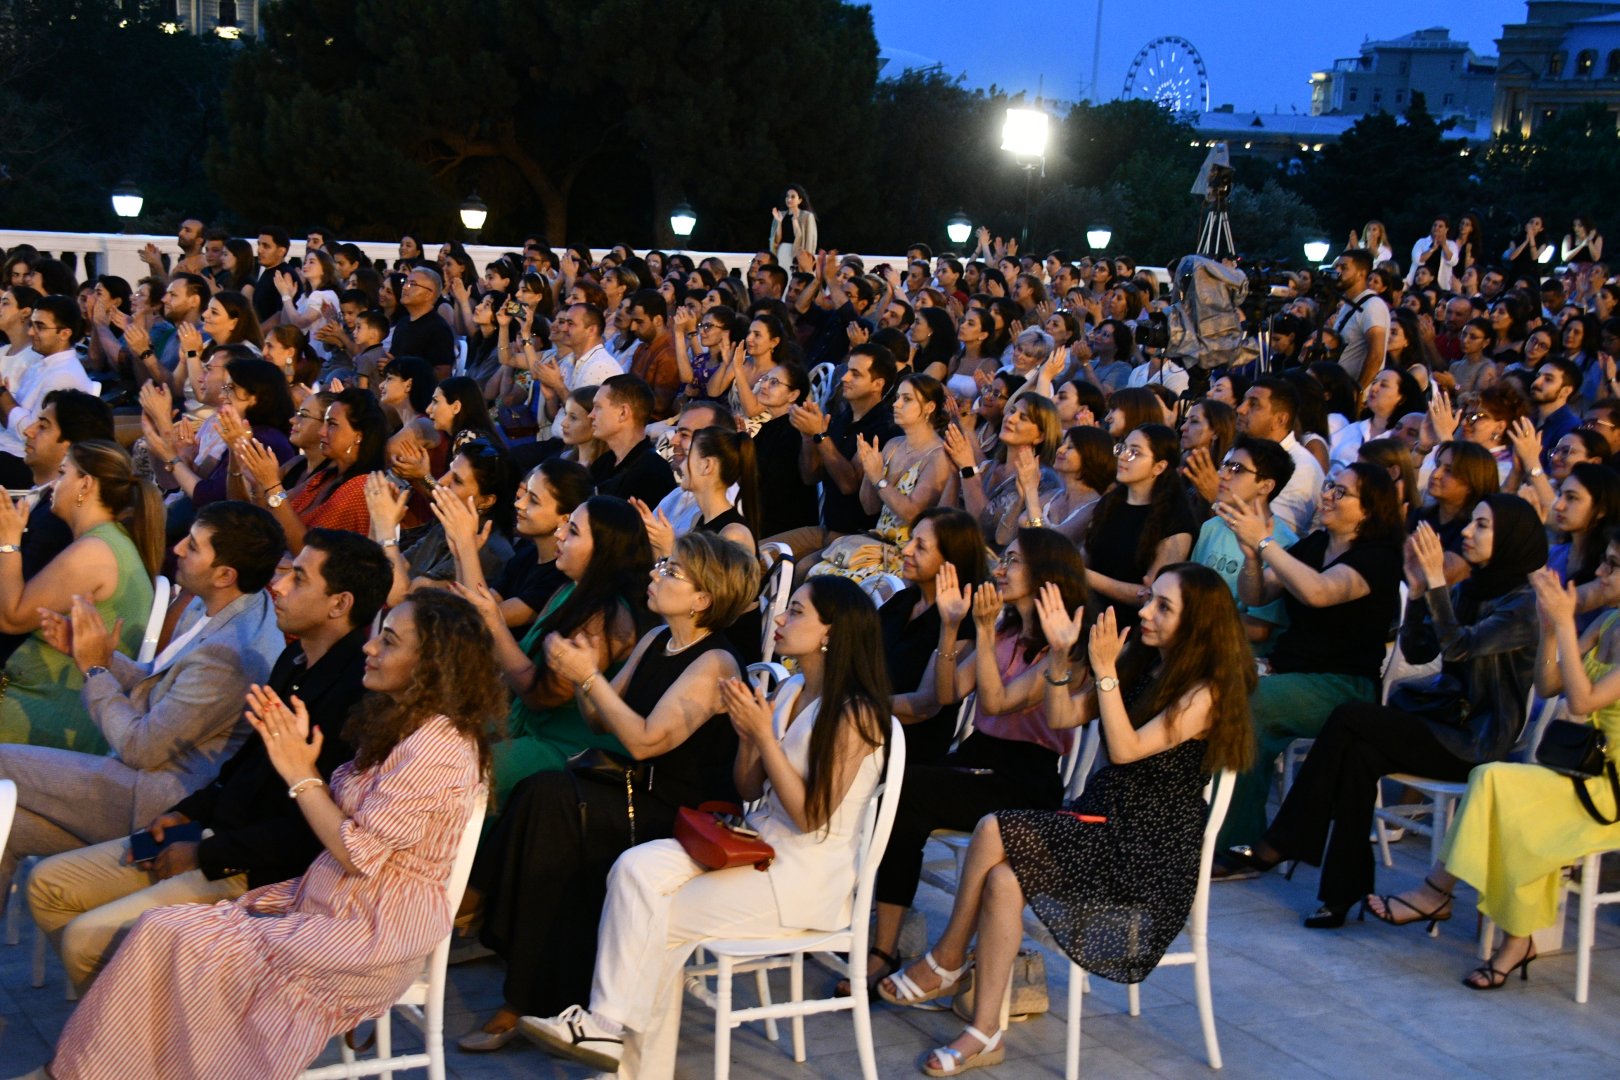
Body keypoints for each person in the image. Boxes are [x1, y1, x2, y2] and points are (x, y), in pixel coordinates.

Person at [44, 590, 499, 1079]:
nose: (370, 648)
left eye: (388, 642)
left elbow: (358, 854)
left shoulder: (439, 744)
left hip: (369, 930)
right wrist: (298, 761)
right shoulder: (404, 724)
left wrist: (299, 773)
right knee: (164, 933)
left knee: (173, 936)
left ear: (432, 665)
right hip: (330, 901)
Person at [878, 564, 1255, 1075]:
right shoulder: (1146, 666)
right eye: (1151, 599)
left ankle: (947, 959)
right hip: (1101, 823)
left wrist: (1103, 668)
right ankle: (985, 1030)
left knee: (992, 826)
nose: (1145, 611)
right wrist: (1060, 655)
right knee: (1004, 882)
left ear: (1199, 624)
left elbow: (1124, 751)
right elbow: (1061, 717)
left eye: (1163, 606)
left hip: (1145, 851)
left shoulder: (1204, 692)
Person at [520, 575, 890, 1077]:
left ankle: (619, 1050)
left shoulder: (858, 714)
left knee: (658, 920)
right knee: (633, 869)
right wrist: (748, 740)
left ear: (832, 631)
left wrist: (765, 735)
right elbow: (747, 787)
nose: (780, 618)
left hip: (803, 876)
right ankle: (609, 1032)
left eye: (797, 611)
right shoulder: (795, 689)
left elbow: (810, 816)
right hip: (755, 843)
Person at [24, 527, 384, 991]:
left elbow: (306, 831)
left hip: (248, 869)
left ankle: (124, 1040)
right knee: (49, 883)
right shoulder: (293, 664)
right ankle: (119, 1021)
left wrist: (200, 853)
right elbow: (240, 769)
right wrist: (184, 815)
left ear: (340, 603)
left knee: (84, 941)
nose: (278, 586)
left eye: (298, 578)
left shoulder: (357, 694)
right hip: (206, 832)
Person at [460, 533, 758, 1051]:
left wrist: (589, 675)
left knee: (550, 800)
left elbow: (644, 742)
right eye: (661, 563)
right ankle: (519, 973)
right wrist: (580, 675)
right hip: (622, 787)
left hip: (676, 810)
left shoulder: (716, 664)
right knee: (541, 794)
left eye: (672, 570)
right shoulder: (657, 638)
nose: (655, 573)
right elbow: (599, 718)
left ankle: (513, 978)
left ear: (703, 598)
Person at [1233, 494, 1547, 925]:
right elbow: (1420, 652)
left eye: (1483, 526)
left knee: (1349, 717)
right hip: (1442, 723)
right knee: (1358, 755)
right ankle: (1341, 895)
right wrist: (1419, 595)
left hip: (1476, 740)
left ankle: (1282, 842)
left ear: (1512, 538)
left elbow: (1458, 647)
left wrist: (1436, 582)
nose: (1468, 533)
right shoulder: (1474, 588)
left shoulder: (1522, 606)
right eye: (1471, 523)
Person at [1364, 551, 1620, 989]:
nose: (1600, 572)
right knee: (1492, 779)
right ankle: (1502, 932)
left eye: (1613, 565)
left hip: (1608, 790)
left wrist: (1562, 621)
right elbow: (1549, 684)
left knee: (1501, 789)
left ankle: (1440, 896)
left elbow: (1582, 701)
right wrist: (1549, 628)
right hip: (1580, 771)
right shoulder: (1610, 621)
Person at [862, 528, 1087, 995]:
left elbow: (1000, 701)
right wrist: (950, 627)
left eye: (1014, 562)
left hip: (1023, 776)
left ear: (1046, 575)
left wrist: (981, 633)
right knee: (887, 781)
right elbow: (946, 694)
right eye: (1002, 559)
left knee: (906, 792)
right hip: (976, 758)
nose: (1000, 570)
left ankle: (888, 950)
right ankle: (880, 941)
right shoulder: (1005, 631)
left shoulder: (1065, 652)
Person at [1213, 462, 1406, 861]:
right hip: (1289, 672)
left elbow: (1318, 592)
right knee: (1206, 688)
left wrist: (1266, 544)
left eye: (1341, 492)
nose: (1327, 496)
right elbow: (1257, 595)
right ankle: (1199, 822)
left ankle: (1232, 840)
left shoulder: (1378, 557)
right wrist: (1252, 555)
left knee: (1248, 700)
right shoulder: (1316, 544)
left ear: (1369, 509)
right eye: (1329, 486)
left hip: (1343, 685)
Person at [459, 496, 651, 805]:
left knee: (453, 769)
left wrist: (495, 627)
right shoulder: (568, 590)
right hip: (525, 727)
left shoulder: (607, 615)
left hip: (562, 748)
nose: (559, 535)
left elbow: (540, 697)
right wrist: (461, 546)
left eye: (573, 531)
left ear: (603, 551)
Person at [0, 440, 162, 751]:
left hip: (44, 715)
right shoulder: (107, 542)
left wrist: (8, 541)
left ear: (85, 484)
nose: (53, 485)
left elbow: (9, 617)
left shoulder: (95, 552)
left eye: (63, 473)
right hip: (46, 702)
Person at [807, 373, 957, 583]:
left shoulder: (939, 456)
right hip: (875, 546)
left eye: (907, 399)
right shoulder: (893, 445)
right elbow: (870, 507)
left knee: (822, 580)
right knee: (811, 573)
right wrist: (870, 472)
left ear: (930, 407)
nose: (896, 405)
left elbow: (912, 513)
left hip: (904, 556)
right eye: (897, 398)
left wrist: (879, 478)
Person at [449, 458, 590, 632]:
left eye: (533, 500)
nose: (518, 503)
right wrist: (460, 555)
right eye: (524, 494)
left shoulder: (560, 577)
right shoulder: (526, 553)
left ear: (565, 518)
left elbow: (484, 619)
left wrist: (467, 549)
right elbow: (469, 607)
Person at [237, 387, 388, 550]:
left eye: (332, 425)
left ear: (359, 436)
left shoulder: (360, 487)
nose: (322, 432)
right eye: (324, 423)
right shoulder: (327, 476)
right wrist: (259, 486)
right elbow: (276, 511)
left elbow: (307, 551)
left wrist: (272, 485)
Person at [1083, 424, 1198, 628]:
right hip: (1087, 612)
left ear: (1159, 467)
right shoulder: (1110, 502)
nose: (1123, 456)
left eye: (1135, 452)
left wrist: (1085, 575)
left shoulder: (1175, 519)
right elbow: (1087, 554)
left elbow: (1151, 596)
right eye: (1123, 448)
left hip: (1133, 627)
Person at [1191, 436, 1298, 653]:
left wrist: (1190, 614)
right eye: (1226, 465)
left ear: (1266, 485)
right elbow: (1190, 586)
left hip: (1238, 657)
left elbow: (1258, 628)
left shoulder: (1285, 545)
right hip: (1196, 643)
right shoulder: (1212, 526)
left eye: (1237, 469)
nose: (1223, 474)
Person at [0, 295, 94, 488]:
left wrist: (2, 394)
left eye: (40, 326)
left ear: (65, 333)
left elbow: (30, 433)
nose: (31, 332)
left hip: (24, 462)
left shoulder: (64, 375)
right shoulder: (40, 365)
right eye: (31, 325)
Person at [1235, 377, 1324, 537]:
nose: (1240, 409)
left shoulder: (1302, 468)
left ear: (1280, 419)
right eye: (1243, 401)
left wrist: (1216, 495)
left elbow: (1273, 534)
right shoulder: (1242, 450)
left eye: (1253, 404)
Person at [587, 374, 677, 507]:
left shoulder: (653, 472)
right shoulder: (602, 463)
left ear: (623, 413)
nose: (591, 415)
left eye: (598, 407)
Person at [1331, 250, 1389, 391]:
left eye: (1344, 268)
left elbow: (1376, 355)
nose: (1337, 272)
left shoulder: (1373, 305)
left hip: (1354, 396)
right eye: (1336, 267)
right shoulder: (1348, 304)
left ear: (1361, 274)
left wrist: (1358, 391)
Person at [390, 266, 458, 378]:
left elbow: (442, 373)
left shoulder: (438, 329)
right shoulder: (403, 322)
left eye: (412, 284)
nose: (405, 288)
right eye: (405, 282)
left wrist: (400, 368)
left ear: (429, 294)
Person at [768, 185, 818, 268]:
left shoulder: (807, 216)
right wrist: (779, 222)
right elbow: (776, 240)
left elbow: (810, 240)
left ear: (800, 200)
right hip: (782, 251)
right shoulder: (780, 215)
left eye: (793, 197)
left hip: (797, 254)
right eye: (787, 196)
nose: (789, 199)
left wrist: (808, 259)